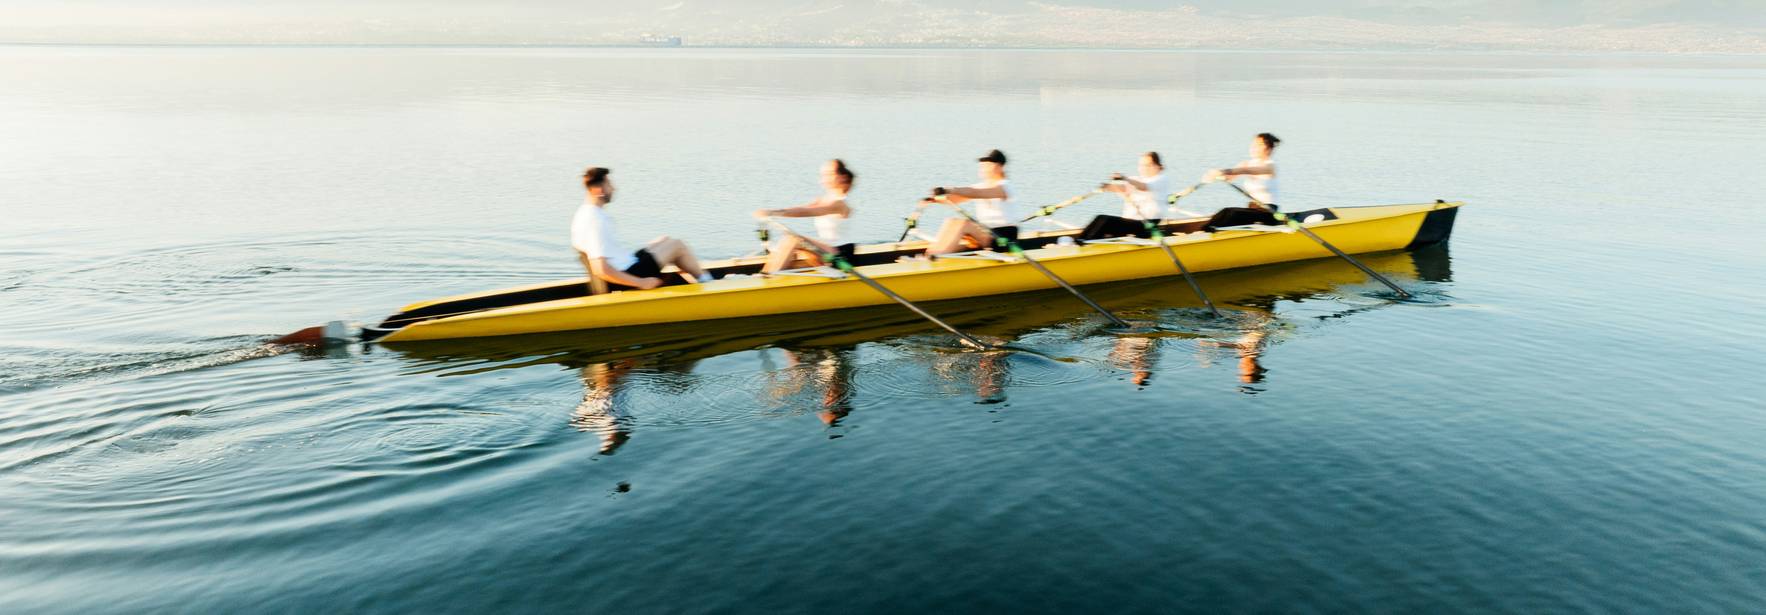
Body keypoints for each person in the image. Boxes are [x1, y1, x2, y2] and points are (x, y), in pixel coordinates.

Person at [573, 167, 710, 292]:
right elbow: (600, 269)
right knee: (677, 245)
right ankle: (708, 284)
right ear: (599, 190)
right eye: (609, 185)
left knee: (664, 239)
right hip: (629, 275)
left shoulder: (583, 213)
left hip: (627, 264)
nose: (614, 189)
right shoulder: (596, 220)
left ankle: (695, 279)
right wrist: (641, 282)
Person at [752, 159, 856, 273]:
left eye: (829, 174)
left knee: (794, 239)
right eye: (823, 174)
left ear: (842, 177)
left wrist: (772, 212)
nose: (824, 178)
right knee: (782, 248)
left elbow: (806, 211)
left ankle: (769, 279)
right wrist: (773, 213)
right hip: (824, 251)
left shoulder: (839, 204)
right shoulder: (822, 200)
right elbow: (802, 208)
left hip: (840, 256)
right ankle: (763, 275)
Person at [925, 149, 1018, 255]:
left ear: (1000, 167)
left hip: (1004, 238)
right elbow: (956, 199)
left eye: (988, 165)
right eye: (983, 165)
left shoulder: (1005, 187)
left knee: (965, 224)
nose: (983, 168)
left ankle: (937, 257)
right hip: (986, 234)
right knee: (952, 221)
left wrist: (949, 189)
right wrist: (935, 199)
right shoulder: (981, 186)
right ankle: (930, 254)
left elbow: (975, 192)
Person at [1199, 133, 1282, 229]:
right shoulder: (1246, 163)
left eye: (1259, 145)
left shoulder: (1270, 166)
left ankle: (1206, 232)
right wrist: (1214, 175)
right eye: (1253, 144)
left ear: (1269, 149)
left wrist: (1223, 171)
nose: (1254, 148)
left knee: (1229, 213)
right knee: (1223, 214)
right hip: (1252, 209)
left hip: (1268, 212)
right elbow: (1229, 177)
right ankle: (1205, 230)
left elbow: (1247, 170)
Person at [1083, 151, 1171, 240]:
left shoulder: (1161, 179)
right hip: (1131, 222)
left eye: (1148, 165)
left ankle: (1085, 244)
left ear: (1158, 166)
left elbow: (1143, 187)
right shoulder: (1137, 179)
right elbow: (1123, 188)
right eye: (1141, 165)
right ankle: (1079, 241)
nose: (1144, 168)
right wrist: (1106, 186)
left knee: (1105, 220)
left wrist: (1125, 178)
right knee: (1099, 218)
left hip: (1147, 224)